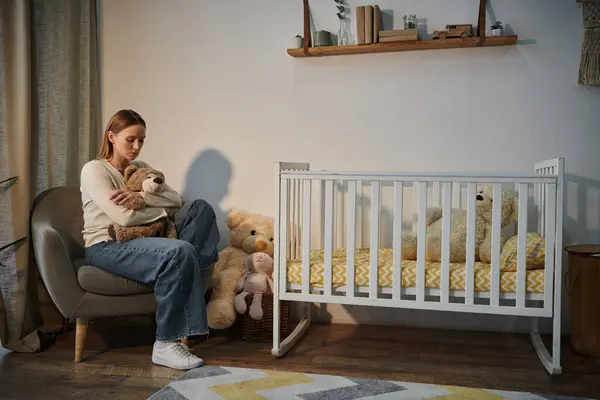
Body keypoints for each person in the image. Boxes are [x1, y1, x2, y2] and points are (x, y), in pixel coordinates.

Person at [80, 109, 219, 370]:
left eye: (141, 140)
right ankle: (165, 344)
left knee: (200, 208)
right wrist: (157, 207)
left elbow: (176, 200)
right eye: (130, 139)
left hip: (148, 237)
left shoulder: (142, 169)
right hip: (106, 245)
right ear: (111, 136)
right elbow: (123, 217)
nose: (136, 146)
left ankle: (187, 285)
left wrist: (143, 199)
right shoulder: (94, 170)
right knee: (179, 251)